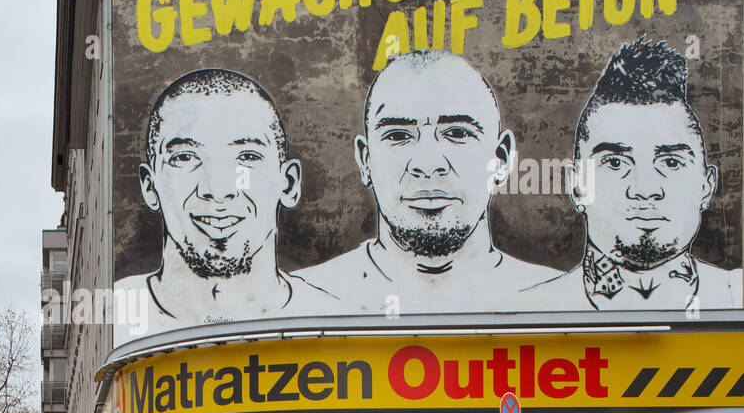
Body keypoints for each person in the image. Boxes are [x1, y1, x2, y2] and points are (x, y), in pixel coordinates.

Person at [293, 50, 561, 313]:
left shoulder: (555, 300)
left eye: (457, 133)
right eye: (398, 136)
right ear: (366, 161)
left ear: (500, 159)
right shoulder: (310, 299)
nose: (428, 164)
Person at [113, 67, 341, 339]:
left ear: (289, 183)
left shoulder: (333, 320)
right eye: (185, 157)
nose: (217, 190)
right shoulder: (115, 314)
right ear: (150, 187)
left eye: (247, 156)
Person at [523, 37, 742, 311]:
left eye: (671, 163)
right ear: (578, 185)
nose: (645, 188)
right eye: (615, 163)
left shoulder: (736, 296)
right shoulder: (527, 310)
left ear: (706, 186)